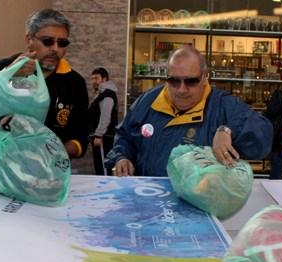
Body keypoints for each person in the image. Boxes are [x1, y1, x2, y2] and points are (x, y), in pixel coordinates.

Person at [105, 46, 273, 177]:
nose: (181, 90)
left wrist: (228, 130)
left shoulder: (223, 105)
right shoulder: (149, 100)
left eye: (191, 81)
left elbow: (264, 137)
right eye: (173, 81)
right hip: (150, 200)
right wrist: (122, 158)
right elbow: (125, 136)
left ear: (204, 76)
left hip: (200, 206)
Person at [0, 9, 88, 160]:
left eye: (62, 43)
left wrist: (54, 152)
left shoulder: (74, 83)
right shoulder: (2, 68)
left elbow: (80, 135)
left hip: (45, 174)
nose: (55, 49)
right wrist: (7, 75)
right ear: (28, 39)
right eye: (48, 41)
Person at [88, 67, 118, 175]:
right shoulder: (101, 94)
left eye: (96, 78)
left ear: (104, 79)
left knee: (103, 166)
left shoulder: (107, 95)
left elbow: (105, 117)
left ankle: (105, 187)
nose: (93, 81)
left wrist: (98, 135)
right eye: (92, 79)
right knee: (99, 165)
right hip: (100, 137)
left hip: (103, 138)